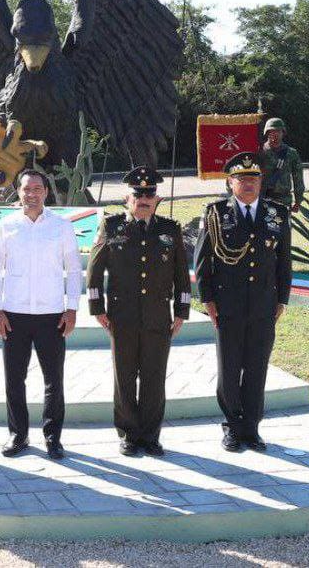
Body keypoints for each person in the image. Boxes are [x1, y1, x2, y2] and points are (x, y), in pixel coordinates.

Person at [85, 166, 190, 457]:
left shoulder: (170, 230)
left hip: (159, 315)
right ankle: (129, 434)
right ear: (127, 199)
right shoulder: (112, 226)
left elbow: (182, 273)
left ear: (157, 200)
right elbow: (94, 270)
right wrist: (97, 307)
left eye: (149, 195)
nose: (143, 199)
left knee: (155, 377)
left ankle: (151, 435)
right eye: (137, 195)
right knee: (125, 375)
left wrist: (181, 309)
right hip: (122, 315)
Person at [194, 152, 291, 453]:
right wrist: (208, 300)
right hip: (228, 304)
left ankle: (251, 428)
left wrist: (282, 299)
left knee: (257, 366)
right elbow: (202, 263)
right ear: (230, 182)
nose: (248, 184)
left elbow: (284, 261)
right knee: (230, 366)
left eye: (254, 178)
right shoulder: (215, 213)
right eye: (242, 179)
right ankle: (232, 427)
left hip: (264, 303)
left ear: (261, 182)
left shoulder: (277, 213)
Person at [0, 168, 82, 460]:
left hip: (51, 314)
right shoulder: (7, 225)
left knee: (54, 380)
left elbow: (74, 269)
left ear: (46, 192)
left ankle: (53, 438)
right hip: (14, 314)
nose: (31, 194)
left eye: (37, 189)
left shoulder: (61, 226)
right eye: (26, 189)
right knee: (14, 379)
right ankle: (18, 435)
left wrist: (72, 307)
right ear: (19, 192)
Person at [257, 117, 304, 212]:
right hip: (261, 199)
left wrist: (298, 201)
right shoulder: (259, 152)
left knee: (284, 226)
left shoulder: (291, 153)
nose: (275, 134)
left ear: (283, 133)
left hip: (283, 200)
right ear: (267, 133)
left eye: (278, 131)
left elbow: (298, 178)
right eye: (272, 131)